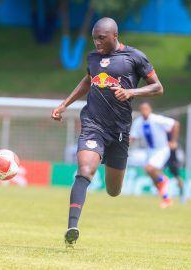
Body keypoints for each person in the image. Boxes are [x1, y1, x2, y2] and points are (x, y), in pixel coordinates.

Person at [51, 17, 163, 247]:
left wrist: (131, 93)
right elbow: (88, 80)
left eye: (101, 39)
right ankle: (72, 226)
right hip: (93, 124)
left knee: (114, 190)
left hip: (120, 131)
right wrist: (65, 104)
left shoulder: (135, 57)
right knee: (84, 170)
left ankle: (108, 170)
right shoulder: (93, 58)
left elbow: (158, 87)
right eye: (94, 39)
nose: (97, 44)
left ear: (115, 35)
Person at [130, 102, 180, 208]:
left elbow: (175, 124)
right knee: (153, 177)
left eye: (146, 108)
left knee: (149, 169)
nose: (144, 111)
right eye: (142, 109)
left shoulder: (157, 119)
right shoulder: (138, 122)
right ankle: (166, 199)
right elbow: (132, 137)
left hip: (162, 149)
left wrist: (174, 141)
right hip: (150, 151)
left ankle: (164, 179)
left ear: (150, 109)